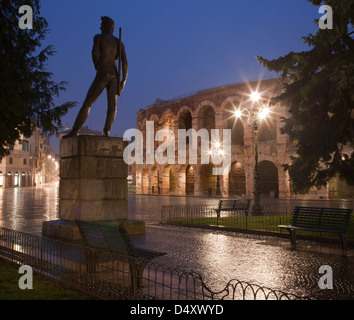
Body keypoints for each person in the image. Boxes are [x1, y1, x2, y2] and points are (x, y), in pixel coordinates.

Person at [64, 16, 128, 138]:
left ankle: (75, 129)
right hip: (115, 74)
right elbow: (125, 62)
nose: (100, 27)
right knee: (112, 105)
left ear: (106, 27)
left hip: (103, 70)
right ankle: (107, 131)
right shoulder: (118, 42)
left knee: (88, 102)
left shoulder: (99, 37)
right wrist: (123, 80)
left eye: (101, 25)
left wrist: (97, 65)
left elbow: (94, 53)